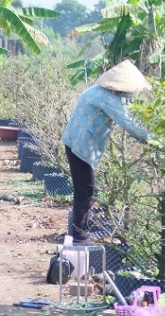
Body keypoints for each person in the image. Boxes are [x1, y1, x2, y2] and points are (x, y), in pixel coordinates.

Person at [61, 59, 151, 243]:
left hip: (76, 142)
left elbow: (127, 108)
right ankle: (79, 236)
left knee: (85, 190)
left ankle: (79, 233)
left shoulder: (99, 91)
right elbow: (128, 123)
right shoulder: (106, 98)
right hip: (80, 146)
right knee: (85, 191)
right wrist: (153, 140)